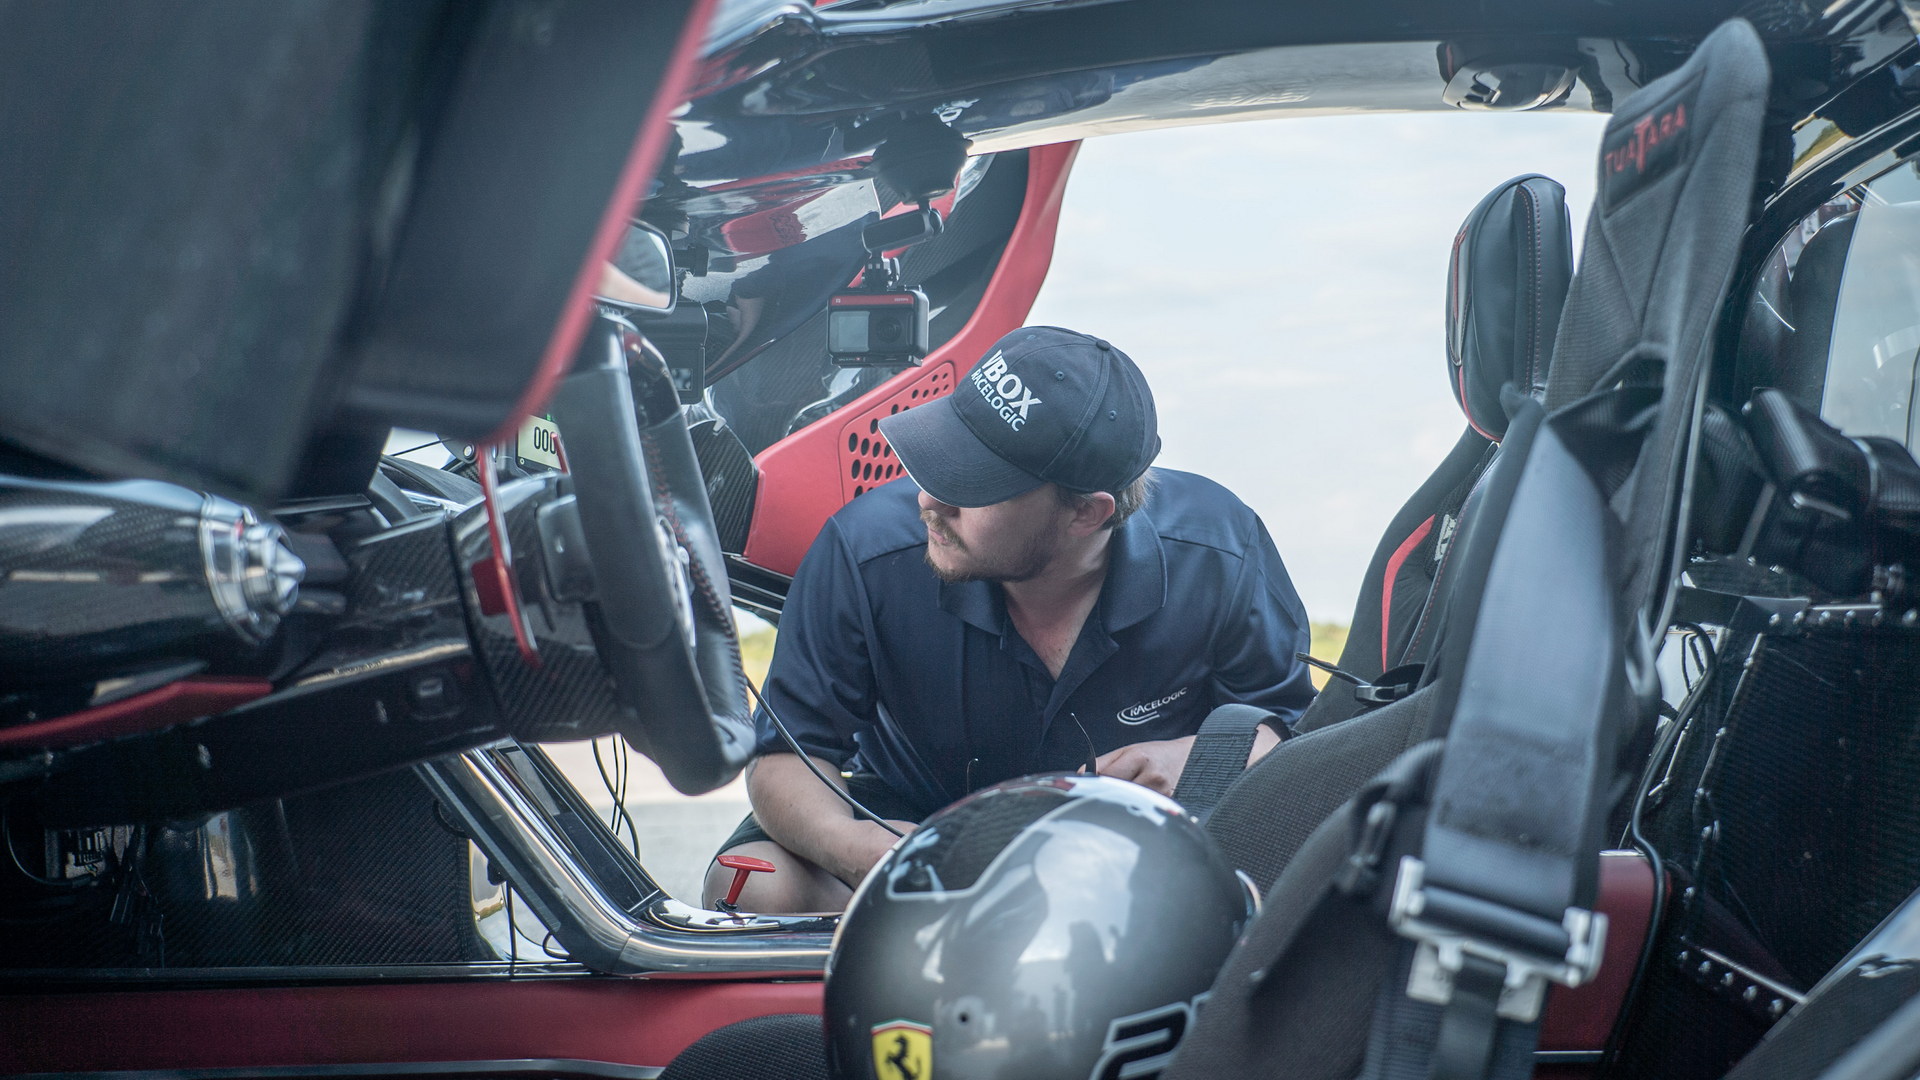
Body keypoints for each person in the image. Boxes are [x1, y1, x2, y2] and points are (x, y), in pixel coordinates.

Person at [703, 326, 1315, 912]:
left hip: (1137, 852)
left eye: (972, 482)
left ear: (1086, 513)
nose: (929, 500)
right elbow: (786, 756)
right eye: (937, 455)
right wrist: (865, 853)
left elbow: (1294, 729)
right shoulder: (864, 552)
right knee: (755, 885)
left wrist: (1194, 756)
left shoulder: (1219, 551)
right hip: (913, 828)